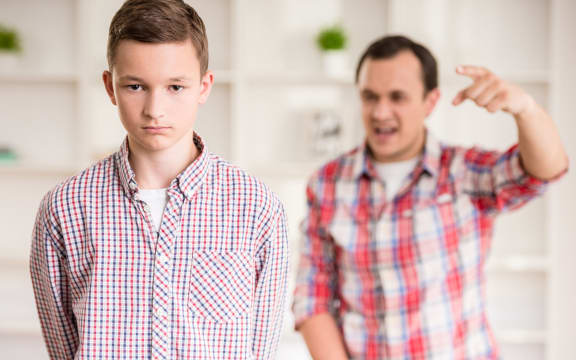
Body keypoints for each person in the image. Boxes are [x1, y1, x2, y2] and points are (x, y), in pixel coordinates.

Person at [29, 1, 288, 359]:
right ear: (110, 86)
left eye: (175, 87)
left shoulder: (257, 207)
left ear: (204, 86)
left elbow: (261, 346)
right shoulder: (65, 207)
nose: (155, 109)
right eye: (136, 86)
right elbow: (62, 345)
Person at [292, 35, 568, 359]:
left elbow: (544, 170)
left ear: (430, 101)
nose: (381, 112)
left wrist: (525, 110)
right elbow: (313, 298)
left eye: (397, 97)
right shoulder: (327, 184)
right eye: (370, 97)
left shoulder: (464, 172)